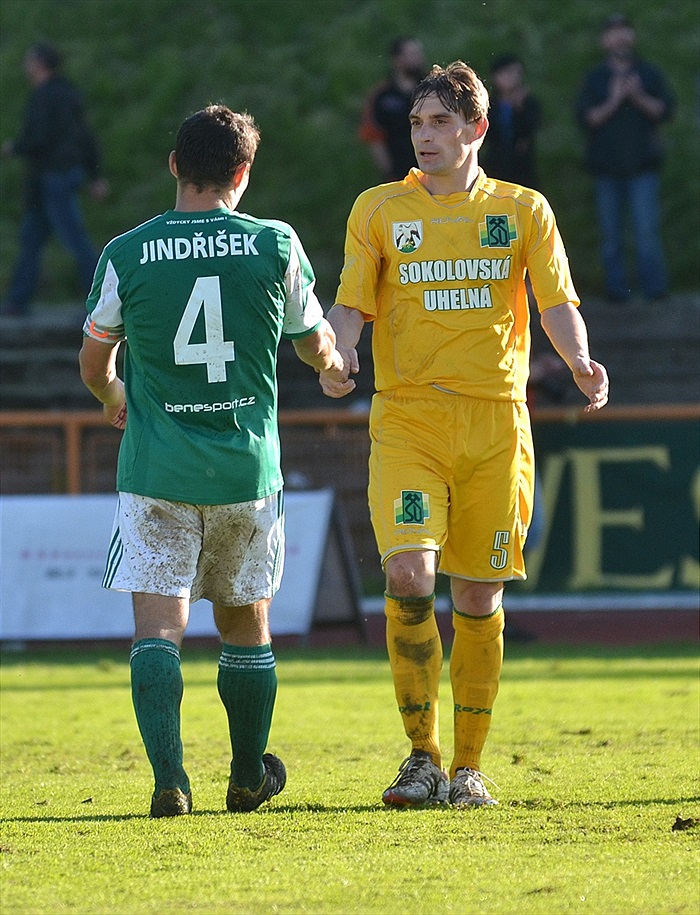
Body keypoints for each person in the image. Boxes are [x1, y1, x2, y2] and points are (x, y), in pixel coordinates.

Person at [320, 62, 608, 808]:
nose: (424, 136)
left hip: (494, 423)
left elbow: (557, 300)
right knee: (410, 574)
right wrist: (340, 349)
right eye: (416, 123)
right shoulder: (378, 209)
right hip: (409, 416)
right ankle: (422, 755)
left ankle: (470, 766)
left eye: (441, 122)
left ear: (477, 129)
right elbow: (351, 301)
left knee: (478, 596)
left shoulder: (523, 210)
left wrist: (578, 357)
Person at [79, 104, 346, 818]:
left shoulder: (127, 252)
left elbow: (94, 356)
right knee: (244, 626)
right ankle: (246, 773)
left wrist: (111, 395)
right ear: (243, 173)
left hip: (155, 472)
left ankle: (171, 778)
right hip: (245, 474)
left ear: (174, 165)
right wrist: (334, 369)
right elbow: (315, 340)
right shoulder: (274, 244)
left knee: (158, 629)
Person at [1, 42, 108, 316]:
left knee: (74, 240)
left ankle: (99, 300)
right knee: (33, 239)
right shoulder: (69, 94)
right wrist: (95, 175)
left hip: (51, 179)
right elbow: (85, 137)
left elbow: (38, 138)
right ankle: (17, 301)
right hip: (63, 176)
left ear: (38, 63)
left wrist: (14, 148)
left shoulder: (43, 97)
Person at [575, 13, 675, 302]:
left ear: (632, 36)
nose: (620, 37)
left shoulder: (648, 73)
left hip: (643, 167)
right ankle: (617, 293)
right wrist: (614, 99)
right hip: (607, 169)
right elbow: (587, 118)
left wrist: (638, 96)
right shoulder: (595, 78)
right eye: (614, 32)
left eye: (625, 31)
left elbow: (665, 111)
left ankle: (655, 293)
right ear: (605, 40)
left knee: (647, 234)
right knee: (611, 237)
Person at [359, 37, 427, 182]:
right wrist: (390, 173)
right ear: (397, 59)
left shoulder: (432, 90)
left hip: (435, 175)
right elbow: (374, 137)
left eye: (418, 53)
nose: (418, 58)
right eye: (412, 54)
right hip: (401, 176)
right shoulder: (382, 96)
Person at [480, 53, 542, 188]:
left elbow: (531, 127)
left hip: (522, 166)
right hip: (495, 164)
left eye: (517, 73)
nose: (513, 78)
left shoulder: (528, 103)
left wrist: (519, 109)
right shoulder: (489, 104)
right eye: (507, 73)